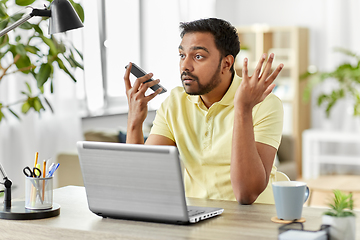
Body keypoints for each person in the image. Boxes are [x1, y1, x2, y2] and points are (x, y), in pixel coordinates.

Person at [124, 18, 284, 205]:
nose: (185, 66)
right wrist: (134, 121)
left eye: (198, 56)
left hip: (252, 222)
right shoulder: (174, 103)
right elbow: (143, 181)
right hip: (197, 219)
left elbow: (246, 194)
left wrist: (243, 109)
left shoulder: (264, 103)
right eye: (182, 55)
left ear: (226, 63)